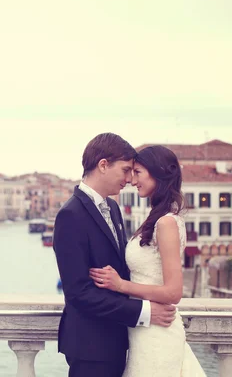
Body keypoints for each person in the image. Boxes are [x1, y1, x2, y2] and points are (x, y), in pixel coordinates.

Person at [53, 133, 177, 377]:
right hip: (90, 346)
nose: (130, 179)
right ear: (103, 165)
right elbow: (79, 293)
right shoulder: (70, 215)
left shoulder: (113, 208)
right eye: (125, 170)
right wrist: (145, 312)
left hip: (120, 341)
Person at [89, 145, 206, 376]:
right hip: (143, 330)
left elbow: (173, 292)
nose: (132, 180)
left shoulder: (166, 223)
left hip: (158, 334)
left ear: (157, 172)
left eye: (138, 172)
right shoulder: (155, 218)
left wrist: (121, 285)